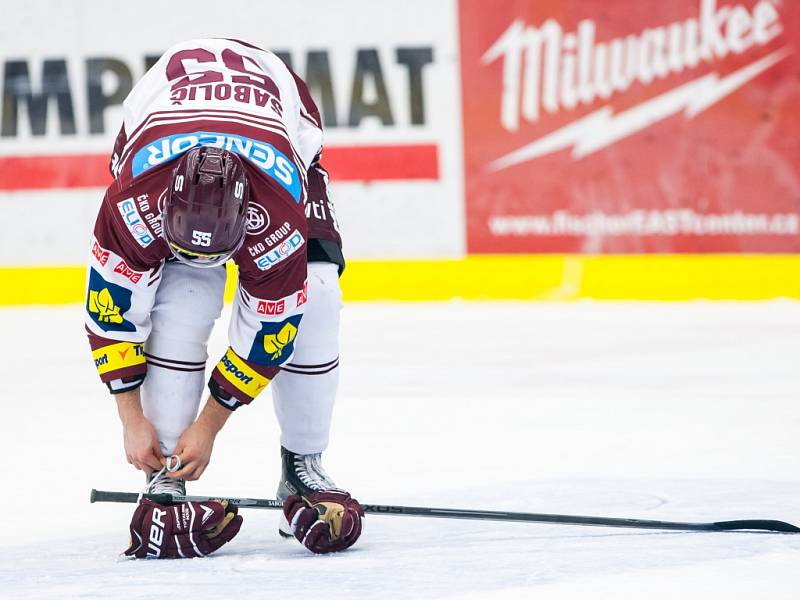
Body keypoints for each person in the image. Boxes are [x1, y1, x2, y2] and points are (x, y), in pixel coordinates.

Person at [84, 38, 363, 557]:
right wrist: (132, 419)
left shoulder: (277, 209)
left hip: (278, 129)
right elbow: (112, 311)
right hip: (164, 117)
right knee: (186, 293)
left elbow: (272, 331)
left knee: (318, 296)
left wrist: (210, 424)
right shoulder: (133, 199)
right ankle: (165, 476)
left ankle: (303, 467)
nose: (209, 263)